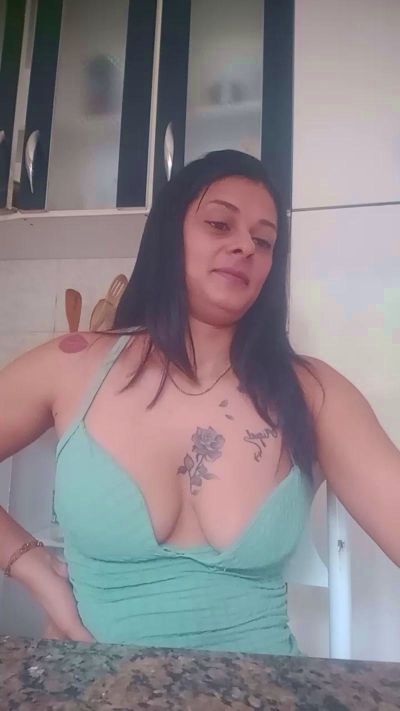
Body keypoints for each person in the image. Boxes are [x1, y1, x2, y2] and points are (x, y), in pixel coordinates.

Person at [0, 150, 399, 655]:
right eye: (219, 224)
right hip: (94, 684)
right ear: (169, 234)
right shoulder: (72, 363)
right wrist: (32, 566)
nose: (245, 246)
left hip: (261, 686)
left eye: (263, 241)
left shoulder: (312, 391)